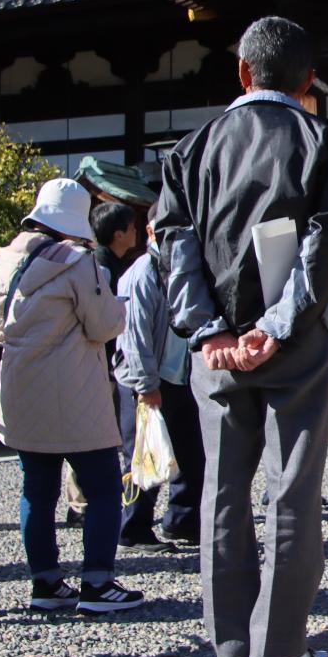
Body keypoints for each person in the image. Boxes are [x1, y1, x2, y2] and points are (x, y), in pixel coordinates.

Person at [153, 16, 328, 657]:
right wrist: (276, 323)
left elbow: (174, 246)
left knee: (223, 488)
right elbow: (321, 246)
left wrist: (207, 329)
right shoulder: (321, 142)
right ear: (306, 82)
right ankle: (280, 646)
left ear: (242, 72)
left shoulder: (191, 150)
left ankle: (229, 646)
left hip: (213, 348)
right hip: (291, 341)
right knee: (292, 489)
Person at [0, 179, 145, 614]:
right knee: (104, 486)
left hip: (19, 388)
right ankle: (97, 583)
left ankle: (46, 584)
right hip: (73, 390)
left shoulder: (3, 263)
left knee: (37, 489)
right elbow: (104, 325)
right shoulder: (78, 262)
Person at [113, 226, 203, 548]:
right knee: (144, 456)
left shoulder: (180, 269)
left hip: (179, 376)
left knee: (191, 455)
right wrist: (146, 384)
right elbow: (133, 336)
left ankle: (182, 521)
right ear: (151, 230)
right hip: (148, 380)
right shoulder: (142, 273)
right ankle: (132, 529)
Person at [70, 201, 142, 527]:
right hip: (99, 362)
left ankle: (81, 501)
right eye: (132, 227)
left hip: (101, 362)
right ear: (118, 234)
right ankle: (80, 502)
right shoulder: (101, 266)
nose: (136, 232)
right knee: (90, 434)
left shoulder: (106, 262)